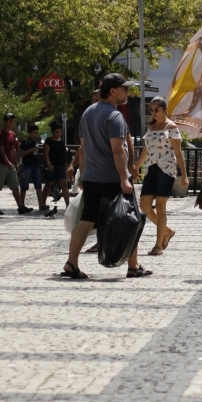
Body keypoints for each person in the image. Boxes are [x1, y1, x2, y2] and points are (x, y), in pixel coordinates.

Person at [61, 73, 152, 280]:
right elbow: (118, 149)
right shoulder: (114, 116)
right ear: (112, 91)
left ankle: (71, 263)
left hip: (92, 177)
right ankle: (133, 266)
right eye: (124, 89)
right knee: (132, 219)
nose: (127, 92)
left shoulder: (87, 113)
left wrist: (83, 176)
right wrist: (124, 178)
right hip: (112, 178)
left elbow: (83, 149)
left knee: (86, 219)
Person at [133, 97, 189, 255]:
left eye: (156, 109)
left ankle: (158, 246)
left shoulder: (171, 127)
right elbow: (146, 149)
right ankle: (166, 231)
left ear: (165, 109)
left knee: (161, 207)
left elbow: (178, 152)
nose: (153, 113)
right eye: (151, 110)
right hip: (151, 168)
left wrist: (184, 175)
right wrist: (136, 167)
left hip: (166, 169)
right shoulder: (151, 126)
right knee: (144, 206)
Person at [0, 113, 30, 215]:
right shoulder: (0, 134)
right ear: (5, 122)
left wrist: (16, 163)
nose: (12, 122)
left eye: (13, 121)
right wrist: (7, 162)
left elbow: (13, 150)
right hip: (1, 164)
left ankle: (20, 206)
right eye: (10, 121)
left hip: (11, 164)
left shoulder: (12, 134)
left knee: (15, 185)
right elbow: (1, 149)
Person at [41, 121, 71, 211]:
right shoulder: (49, 141)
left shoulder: (61, 141)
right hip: (51, 167)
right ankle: (43, 204)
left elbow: (63, 154)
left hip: (61, 167)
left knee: (64, 185)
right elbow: (46, 153)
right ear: (53, 132)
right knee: (48, 185)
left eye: (60, 132)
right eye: (57, 132)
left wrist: (66, 165)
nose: (59, 134)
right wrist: (48, 164)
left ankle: (68, 204)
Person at [19, 123, 45, 211]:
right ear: (29, 133)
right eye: (34, 133)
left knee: (38, 185)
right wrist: (31, 150)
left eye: (37, 133)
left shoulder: (36, 142)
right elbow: (21, 153)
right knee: (24, 185)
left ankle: (41, 204)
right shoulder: (25, 142)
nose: (36, 135)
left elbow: (35, 153)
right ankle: (21, 205)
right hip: (26, 166)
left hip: (35, 165)